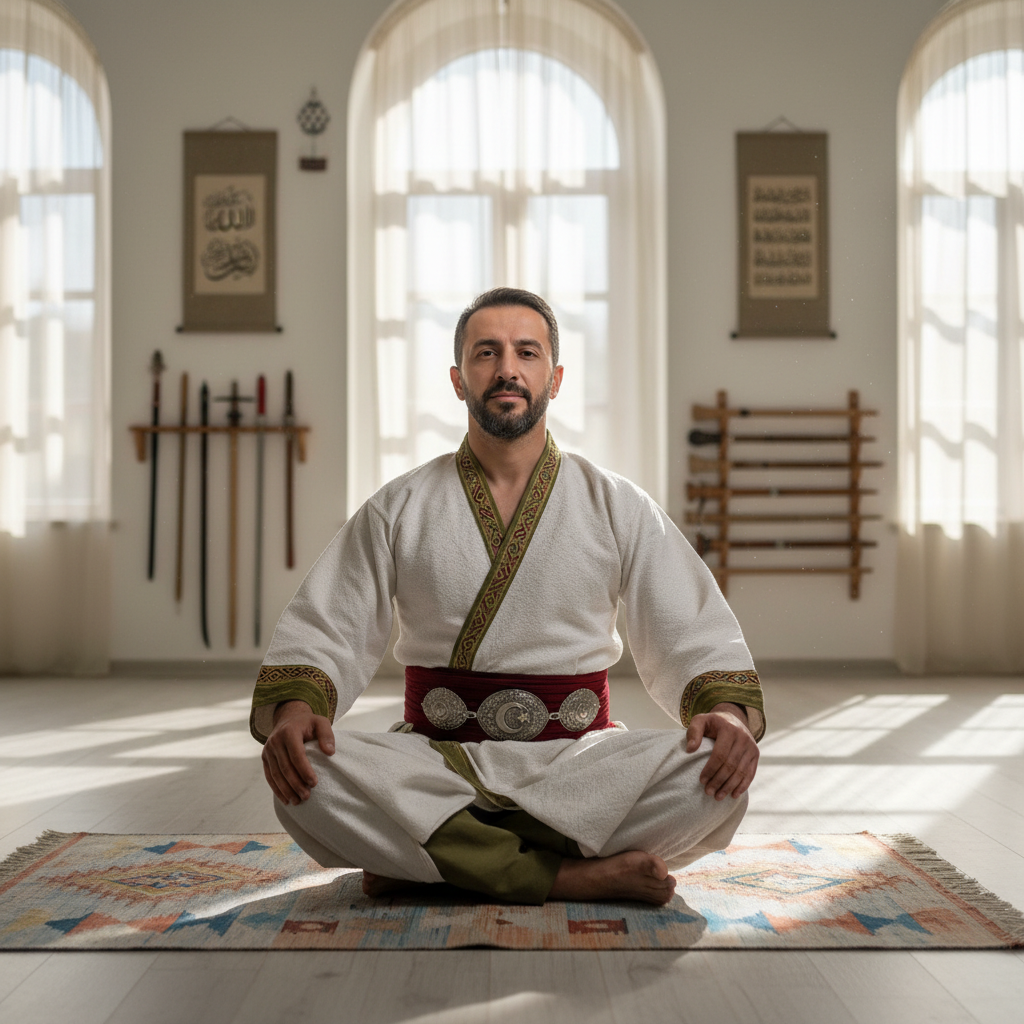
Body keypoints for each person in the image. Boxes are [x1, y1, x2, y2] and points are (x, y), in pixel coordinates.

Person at [251, 287, 765, 906]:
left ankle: (432, 860)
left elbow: (690, 628)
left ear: (556, 375)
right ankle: (568, 876)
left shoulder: (615, 504)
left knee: (713, 775)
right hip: (435, 760)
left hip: (579, 764)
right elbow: (328, 625)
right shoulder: (401, 506)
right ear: (458, 377)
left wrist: (729, 717)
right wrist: (293, 714)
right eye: (486, 353)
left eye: (527, 352)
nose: (507, 369)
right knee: (310, 775)